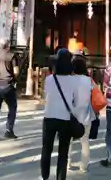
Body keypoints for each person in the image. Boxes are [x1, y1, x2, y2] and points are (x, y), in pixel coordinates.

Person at [40, 48, 77, 180]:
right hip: (65, 118)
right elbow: (75, 99)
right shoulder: (74, 80)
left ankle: (45, 176)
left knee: (46, 149)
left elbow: (46, 94)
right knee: (63, 153)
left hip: (49, 116)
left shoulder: (49, 79)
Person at [0, 40, 19, 142]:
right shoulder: (12, 56)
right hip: (7, 86)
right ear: (8, 46)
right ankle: (8, 130)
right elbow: (16, 72)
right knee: (12, 107)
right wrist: (14, 79)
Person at [67, 56, 94, 173]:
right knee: (85, 141)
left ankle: (67, 162)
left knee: (68, 141)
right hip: (86, 114)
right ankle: (83, 166)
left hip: (71, 115)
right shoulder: (89, 81)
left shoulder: (69, 80)